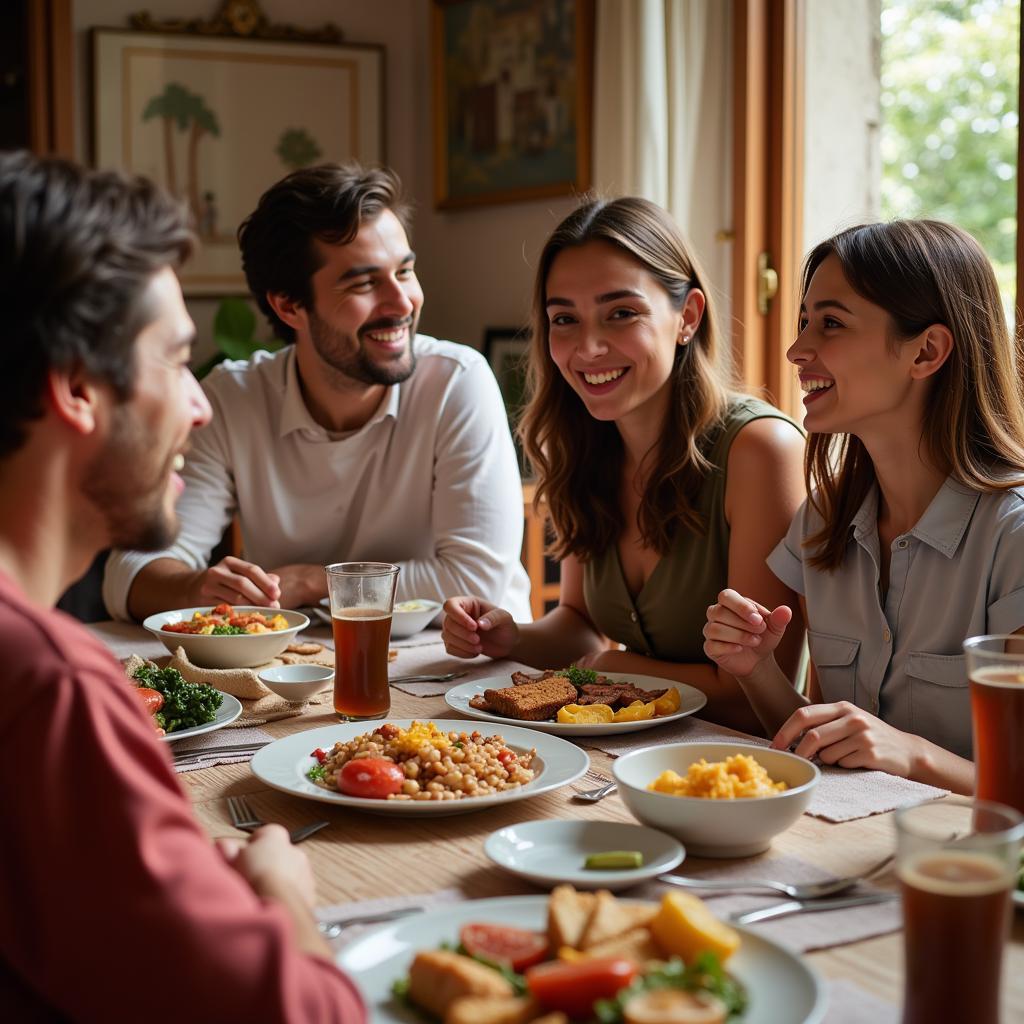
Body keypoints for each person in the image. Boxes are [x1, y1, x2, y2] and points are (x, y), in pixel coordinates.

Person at [0, 150, 365, 1020]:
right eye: (173, 362)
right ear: (81, 390)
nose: (198, 406)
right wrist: (281, 893)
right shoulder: (48, 684)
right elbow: (304, 1014)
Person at [103, 162, 531, 622]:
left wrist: (312, 581)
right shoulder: (234, 398)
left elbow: (474, 581)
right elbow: (128, 574)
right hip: (302, 671)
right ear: (289, 305)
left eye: (404, 272)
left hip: (469, 670)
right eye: (365, 282)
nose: (403, 303)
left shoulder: (457, 381)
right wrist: (199, 586)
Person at [442, 196, 806, 733]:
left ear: (687, 316)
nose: (587, 347)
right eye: (565, 318)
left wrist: (616, 667)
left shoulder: (760, 450)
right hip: (627, 752)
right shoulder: (580, 442)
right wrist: (510, 636)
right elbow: (583, 625)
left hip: (733, 768)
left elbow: (758, 691)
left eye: (621, 313)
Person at [703, 219, 1024, 793]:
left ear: (926, 351)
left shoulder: (1014, 537)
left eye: (831, 324)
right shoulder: (823, 522)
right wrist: (756, 671)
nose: (797, 349)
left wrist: (913, 754)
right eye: (805, 322)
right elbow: (828, 744)